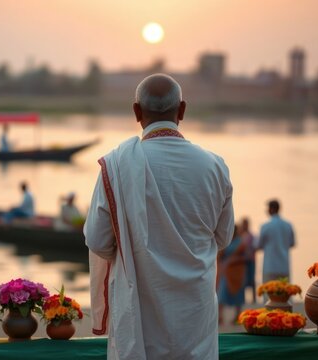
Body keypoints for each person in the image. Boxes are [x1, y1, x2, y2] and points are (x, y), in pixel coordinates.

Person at [85, 74, 234, 359]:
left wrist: (136, 247)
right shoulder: (215, 166)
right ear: (182, 110)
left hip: (140, 312)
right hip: (195, 315)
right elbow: (223, 238)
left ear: (136, 112)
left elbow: (97, 241)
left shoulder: (116, 166)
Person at [257, 199, 295, 283]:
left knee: (268, 293)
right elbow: (292, 243)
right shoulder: (288, 225)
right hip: (284, 266)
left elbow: (259, 245)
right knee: (284, 293)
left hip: (270, 267)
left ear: (271, 209)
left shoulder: (266, 226)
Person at [217, 225, 246, 324]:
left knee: (238, 293)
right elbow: (220, 256)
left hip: (237, 271)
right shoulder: (226, 240)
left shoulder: (240, 242)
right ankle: (219, 316)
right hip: (226, 272)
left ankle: (237, 316)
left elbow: (245, 257)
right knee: (222, 293)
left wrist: (232, 260)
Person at [240, 217, 257, 303]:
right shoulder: (240, 236)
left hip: (251, 261)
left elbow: (255, 247)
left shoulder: (251, 236)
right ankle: (243, 299)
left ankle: (254, 299)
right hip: (242, 261)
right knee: (243, 280)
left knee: (252, 280)